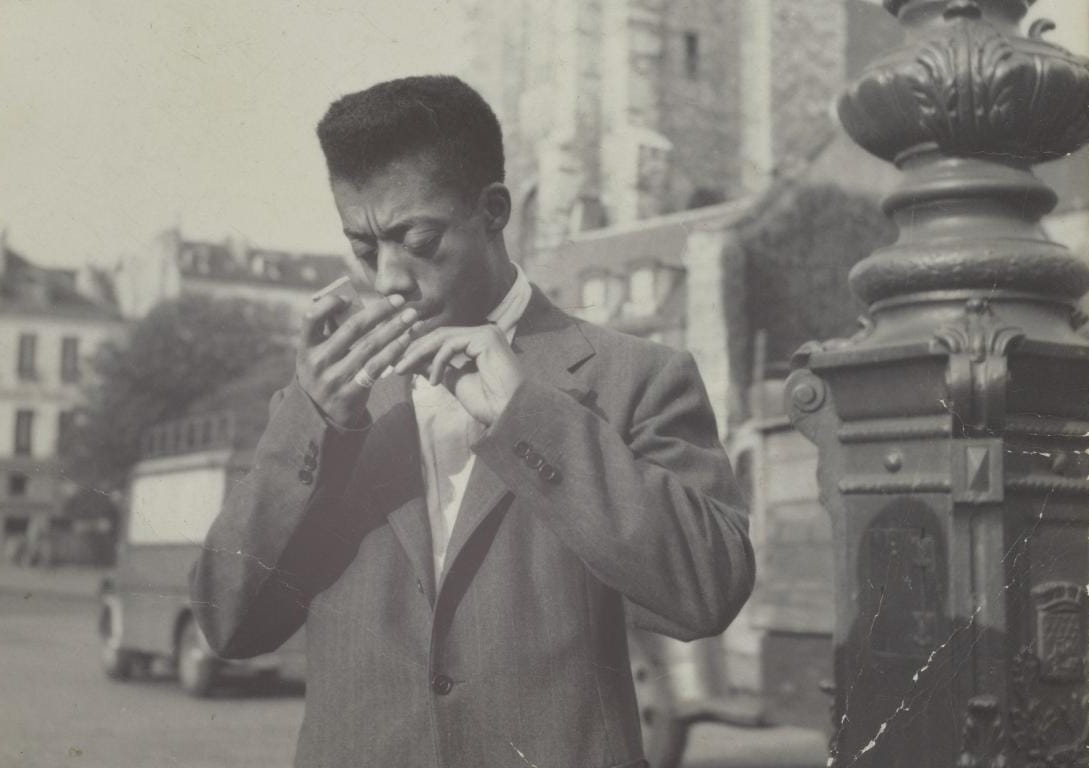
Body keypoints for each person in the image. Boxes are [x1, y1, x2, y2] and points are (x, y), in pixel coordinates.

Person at [190, 75, 754, 768]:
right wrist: (312, 423)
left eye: (415, 239)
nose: (389, 279)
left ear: (493, 211)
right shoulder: (325, 402)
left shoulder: (636, 377)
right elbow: (227, 623)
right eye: (364, 250)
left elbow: (708, 593)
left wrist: (530, 417)